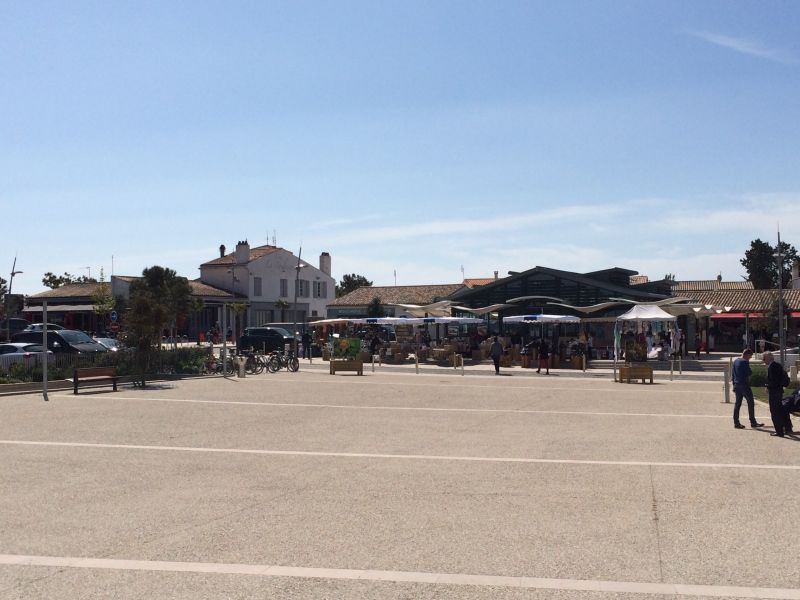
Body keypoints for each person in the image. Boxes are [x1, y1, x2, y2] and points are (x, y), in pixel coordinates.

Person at [732, 348, 764, 430]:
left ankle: (736, 422)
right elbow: (749, 373)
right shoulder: (745, 362)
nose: (750, 358)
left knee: (737, 404)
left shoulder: (735, 361)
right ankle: (753, 422)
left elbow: (733, 374)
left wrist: (733, 385)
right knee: (750, 403)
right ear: (747, 355)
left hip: (737, 384)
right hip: (744, 385)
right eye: (750, 356)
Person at [762, 352, 790, 437]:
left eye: (764, 358)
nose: (763, 360)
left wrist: (767, 385)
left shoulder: (772, 367)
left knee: (774, 412)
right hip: (779, 391)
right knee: (778, 410)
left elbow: (774, 381)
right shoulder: (777, 365)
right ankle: (784, 428)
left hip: (774, 392)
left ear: (768, 358)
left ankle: (779, 431)